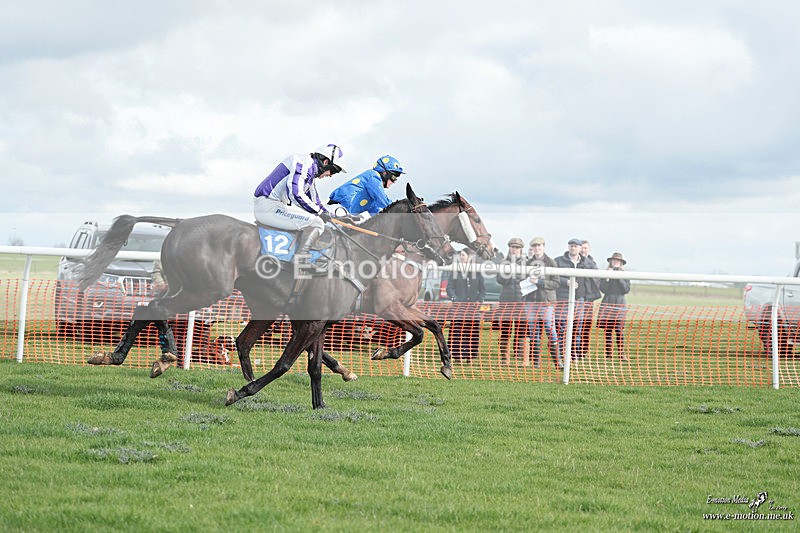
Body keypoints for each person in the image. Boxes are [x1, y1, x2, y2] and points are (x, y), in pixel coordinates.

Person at [253, 144, 345, 270]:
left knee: (317, 220)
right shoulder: (304, 162)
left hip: (276, 206)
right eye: (333, 170)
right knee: (317, 223)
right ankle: (301, 259)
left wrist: (337, 219)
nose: (330, 175)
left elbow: (316, 203)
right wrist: (319, 213)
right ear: (325, 162)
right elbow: (295, 193)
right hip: (268, 206)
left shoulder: (310, 174)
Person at [86, 259, 179, 378]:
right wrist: (161, 285)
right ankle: (117, 356)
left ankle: (170, 352)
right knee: (142, 313)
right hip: (166, 294)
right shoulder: (165, 254)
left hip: (182, 293)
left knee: (155, 308)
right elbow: (157, 270)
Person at [522, 237, 562, 368]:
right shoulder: (528, 262)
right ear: (532, 248)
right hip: (530, 302)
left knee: (550, 329)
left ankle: (558, 362)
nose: (537, 248)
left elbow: (556, 283)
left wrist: (539, 282)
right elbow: (522, 279)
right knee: (534, 331)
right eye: (534, 246)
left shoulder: (551, 262)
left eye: (539, 246)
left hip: (546, 302)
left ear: (543, 247)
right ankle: (536, 363)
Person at [328, 155, 403, 217]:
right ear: (384, 173)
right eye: (394, 177)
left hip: (345, 215)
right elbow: (384, 202)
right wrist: (398, 209)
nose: (394, 181)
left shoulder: (373, 198)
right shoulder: (374, 176)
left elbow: (377, 214)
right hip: (336, 209)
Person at [446, 248, 485, 360]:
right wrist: (455, 300)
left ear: (469, 257)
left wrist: (479, 300)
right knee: (457, 330)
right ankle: (456, 355)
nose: (461, 257)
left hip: (472, 307)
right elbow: (449, 288)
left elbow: (482, 290)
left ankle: (470, 355)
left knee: (471, 330)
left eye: (463, 255)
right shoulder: (455, 271)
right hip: (458, 307)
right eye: (460, 255)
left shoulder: (477, 272)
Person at [554, 238, 589, 360]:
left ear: (580, 248)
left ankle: (574, 354)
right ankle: (561, 353)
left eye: (576, 246)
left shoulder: (586, 262)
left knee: (577, 327)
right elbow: (553, 276)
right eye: (571, 246)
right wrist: (566, 282)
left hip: (579, 299)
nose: (573, 248)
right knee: (561, 326)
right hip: (563, 298)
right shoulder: (558, 261)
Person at [496, 237, 527, 364]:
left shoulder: (527, 263)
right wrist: (509, 273)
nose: (514, 250)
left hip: (522, 300)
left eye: (517, 248)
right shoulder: (503, 262)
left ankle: (523, 358)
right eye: (512, 247)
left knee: (522, 330)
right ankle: (505, 358)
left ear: (521, 250)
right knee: (506, 329)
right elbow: (499, 280)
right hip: (506, 301)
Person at [597, 252, 631, 361]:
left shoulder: (625, 275)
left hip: (620, 304)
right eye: (614, 260)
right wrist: (607, 277)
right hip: (607, 303)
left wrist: (619, 277)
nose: (615, 262)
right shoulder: (606, 273)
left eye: (618, 261)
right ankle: (609, 354)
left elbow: (626, 290)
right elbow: (603, 289)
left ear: (621, 263)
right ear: (611, 262)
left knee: (619, 330)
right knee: (608, 330)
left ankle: (621, 354)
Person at [577, 239, 601, 358]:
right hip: (577, 298)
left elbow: (596, 281)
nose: (583, 250)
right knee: (575, 324)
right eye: (581, 247)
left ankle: (583, 350)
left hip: (588, 299)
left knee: (586, 325)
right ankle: (572, 349)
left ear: (589, 250)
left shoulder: (592, 263)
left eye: (585, 248)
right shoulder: (575, 262)